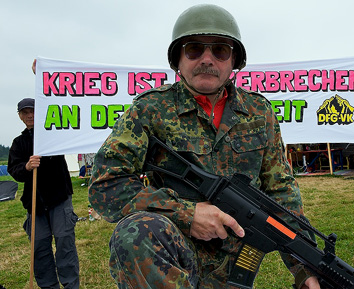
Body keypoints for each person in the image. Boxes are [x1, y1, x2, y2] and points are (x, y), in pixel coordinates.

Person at [89, 4, 320, 288]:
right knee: (135, 232)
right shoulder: (149, 110)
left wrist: (305, 268)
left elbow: (281, 192)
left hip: (235, 261)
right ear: (178, 60)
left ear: (234, 60)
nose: (207, 59)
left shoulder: (259, 113)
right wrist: (187, 214)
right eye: (194, 49)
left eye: (220, 50)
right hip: (171, 254)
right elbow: (106, 185)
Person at [8, 98, 80, 289]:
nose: (29, 115)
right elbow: (14, 171)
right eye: (25, 112)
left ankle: (71, 285)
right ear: (20, 116)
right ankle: (49, 286)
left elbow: (71, 128)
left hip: (59, 198)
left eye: (33, 111)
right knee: (39, 246)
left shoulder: (53, 134)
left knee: (65, 243)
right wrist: (27, 166)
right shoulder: (19, 143)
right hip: (35, 204)